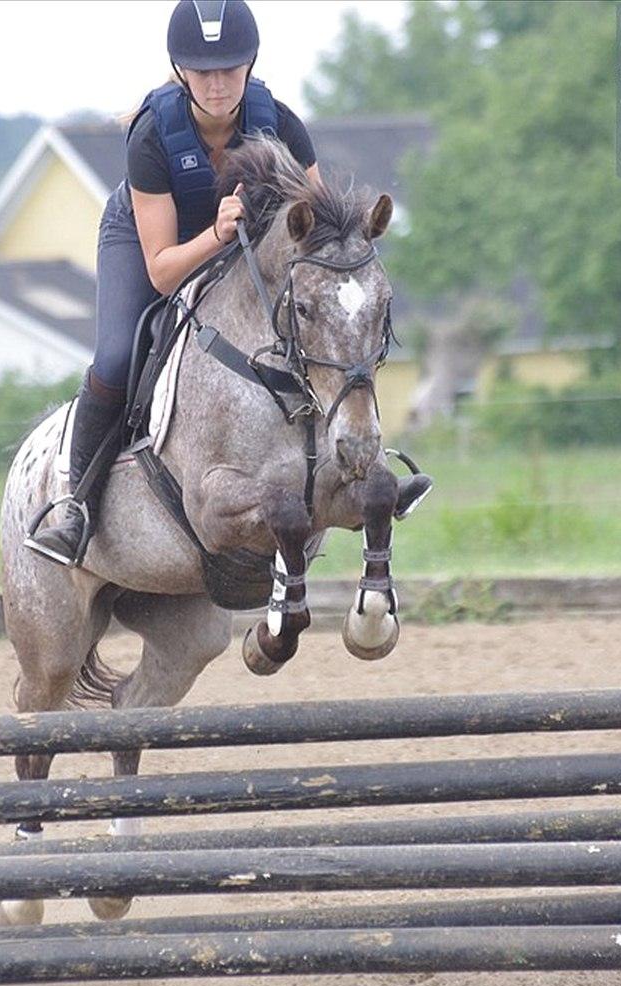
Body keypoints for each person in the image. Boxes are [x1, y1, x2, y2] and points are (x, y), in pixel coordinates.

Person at [27, 0, 430, 567]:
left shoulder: (280, 123)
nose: (217, 84)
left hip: (243, 243)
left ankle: (366, 464)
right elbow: (164, 271)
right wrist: (216, 234)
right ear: (182, 71)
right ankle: (75, 506)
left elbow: (322, 231)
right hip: (151, 243)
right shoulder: (150, 137)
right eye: (203, 72)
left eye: (229, 70)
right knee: (117, 355)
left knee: (311, 330)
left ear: (250, 66)